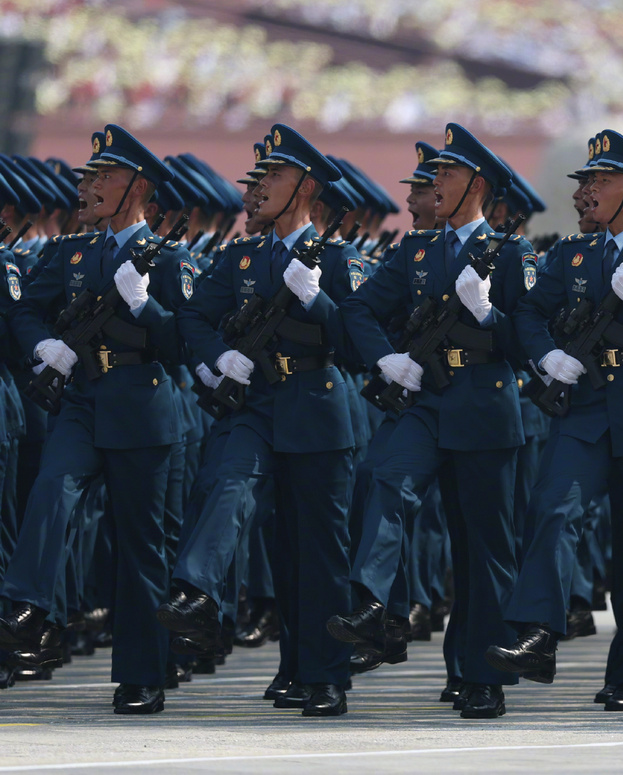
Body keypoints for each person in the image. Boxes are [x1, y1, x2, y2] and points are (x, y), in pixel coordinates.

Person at [486, 129, 623, 722]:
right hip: (584, 408)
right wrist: (546, 355)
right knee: (554, 509)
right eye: (587, 180)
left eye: (601, 181)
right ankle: (537, 633)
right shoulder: (571, 254)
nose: (588, 191)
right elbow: (529, 312)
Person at [327, 123, 536, 720]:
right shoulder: (417, 250)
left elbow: (529, 340)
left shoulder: (512, 253)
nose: (435, 183)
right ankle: (373, 603)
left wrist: (489, 316)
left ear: (478, 184)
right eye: (435, 173)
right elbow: (359, 308)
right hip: (424, 399)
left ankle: (480, 674)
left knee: (482, 547)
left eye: (447, 173)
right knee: (386, 480)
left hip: (484, 405)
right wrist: (386, 359)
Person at [157, 123, 362, 718]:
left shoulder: (338, 259)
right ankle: (197, 591)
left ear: (305, 187)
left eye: (273, 175)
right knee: (228, 483)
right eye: (259, 176)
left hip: (317, 408)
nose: (258, 187)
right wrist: (217, 357)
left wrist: (318, 299)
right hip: (255, 405)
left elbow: (357, 343)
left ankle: (318, 673)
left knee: (313, 551)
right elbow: (193, 318)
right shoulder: (241, 257)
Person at [0, 124, 195, 714]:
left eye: (103, 177)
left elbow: (183, 343)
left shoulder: (169, 258)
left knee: (141, 546)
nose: (87, 187)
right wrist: (43, 347)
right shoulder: (72, 252)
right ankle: (25, 606)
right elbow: (26, 310)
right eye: (88, 177)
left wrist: (145, 305)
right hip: (83, 400)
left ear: (138, 187)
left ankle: (142, 674)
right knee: (52, 489)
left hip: (142, 406)